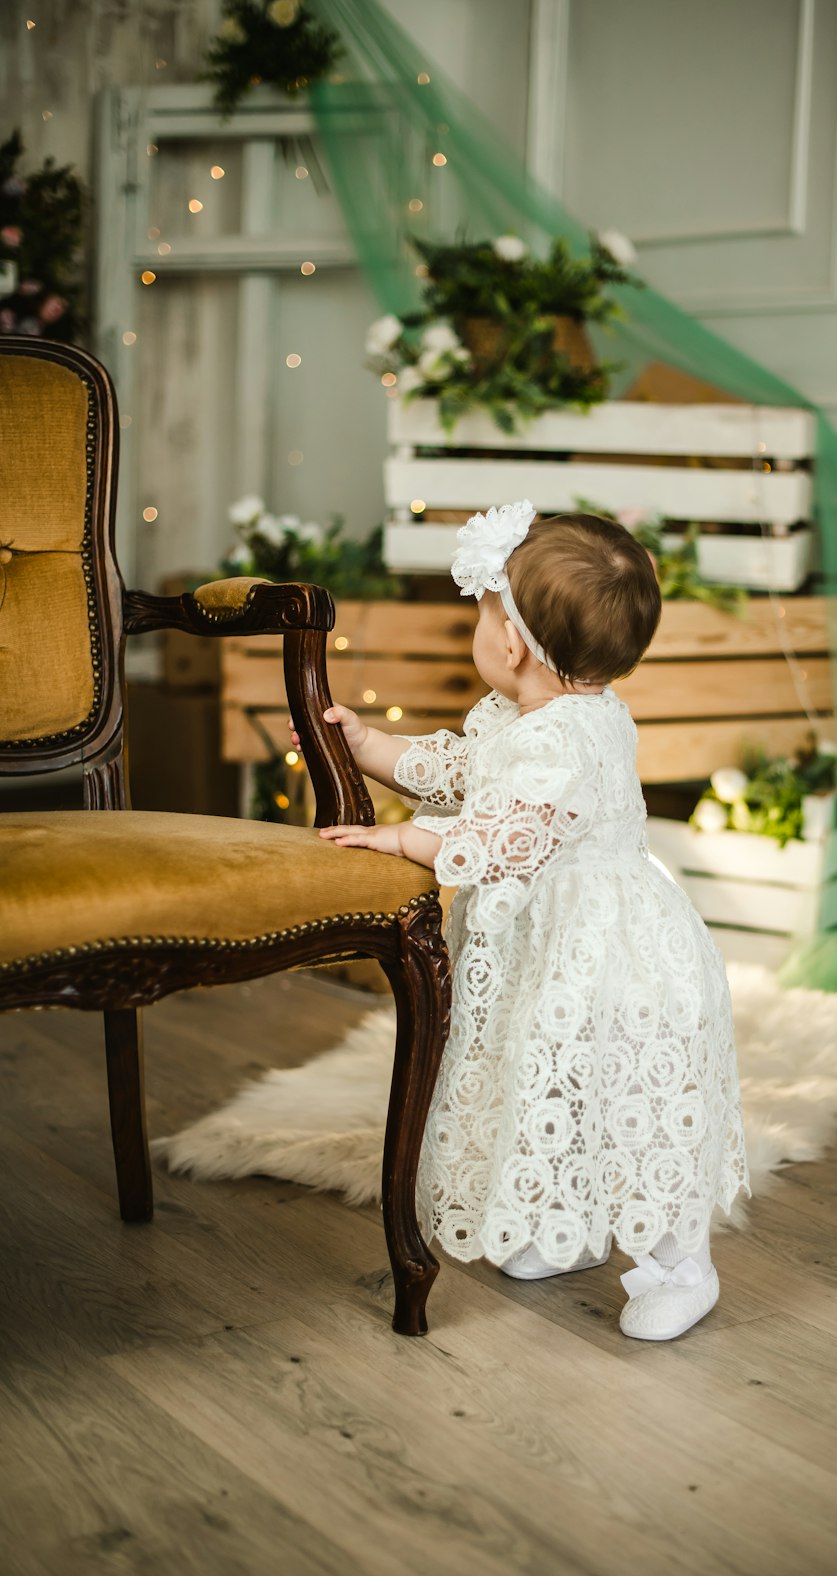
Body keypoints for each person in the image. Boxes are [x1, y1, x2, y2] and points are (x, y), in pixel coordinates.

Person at [312, 502, 749, 1340]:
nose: (477, 630)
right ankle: (568, 1226)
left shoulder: (564, 739)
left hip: (609, 953)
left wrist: (403, 836)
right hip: (552, 948)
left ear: (510, 643)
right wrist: (371, 745)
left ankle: (681, 1266)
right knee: (551, 1082)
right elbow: (465, 768)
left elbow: (509, 836)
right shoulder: (533, 718)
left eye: (481, 613)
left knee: (623, 1095)